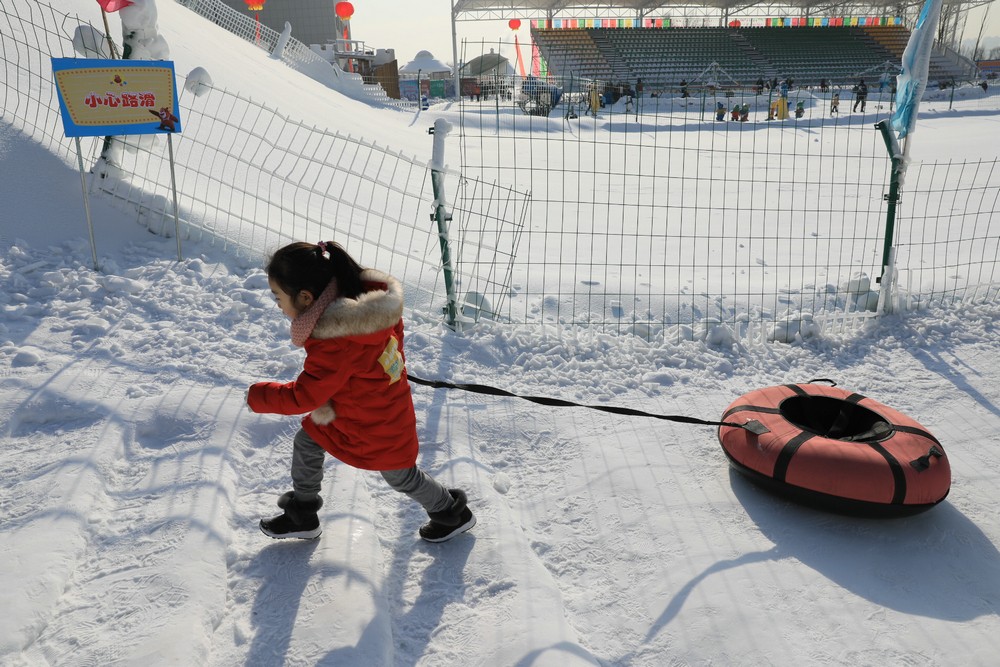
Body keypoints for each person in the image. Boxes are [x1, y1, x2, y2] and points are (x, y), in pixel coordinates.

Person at [247, 241, 477, 543]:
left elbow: (305, 396)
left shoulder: (336, 339)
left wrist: (257, 396)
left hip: (376, 423)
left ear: (305, 297)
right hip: (361, 410)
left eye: (278, 297)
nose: (277, 304)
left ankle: (451, 513)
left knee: (401, 476)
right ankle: (302, 514)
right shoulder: (368, 308)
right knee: (309, 441)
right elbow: (396, 344)